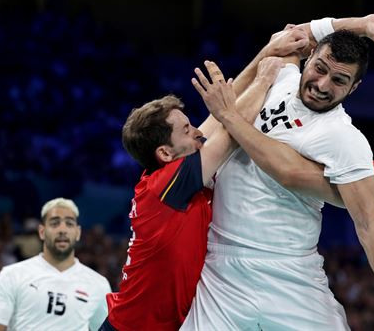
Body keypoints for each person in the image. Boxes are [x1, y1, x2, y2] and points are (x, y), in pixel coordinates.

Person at [184, 16, 374, 331]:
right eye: (320, 69)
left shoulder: (345, 139)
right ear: (309, 58)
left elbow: (370, 223)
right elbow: (294, 35)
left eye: (339, 81)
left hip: (290, 272)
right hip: (220, 270)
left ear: (354, 87)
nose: (322, 85)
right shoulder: (282, 76)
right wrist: (364, 25)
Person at [102, 29, 308, 330]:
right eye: (186, 130)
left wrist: (266, 54)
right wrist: (265, 79)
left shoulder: (173, 170)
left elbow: (221, 117)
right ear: (165, 152)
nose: (197, 132)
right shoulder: (166, 185)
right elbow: (230, 130)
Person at [0, 198, 112, 331]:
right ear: (42, 231)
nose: (62, 230)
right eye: (55, 223)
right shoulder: (12, 275)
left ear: (78, 232)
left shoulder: (98, 285)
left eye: (69, 223)